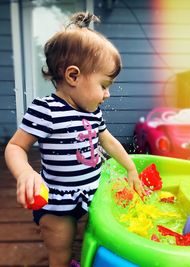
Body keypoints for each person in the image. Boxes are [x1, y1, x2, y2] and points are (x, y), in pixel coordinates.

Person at [5, 12, 145, 267]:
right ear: (73, 76)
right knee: (61, 244)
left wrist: (131, 167)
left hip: (90, 193)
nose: (107, 94)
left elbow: (108, 140)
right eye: (104, 85)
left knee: (88, 233)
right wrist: (25, 173)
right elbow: (16, 146)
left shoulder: (92, 111)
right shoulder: (46, 110)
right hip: (57, 201)